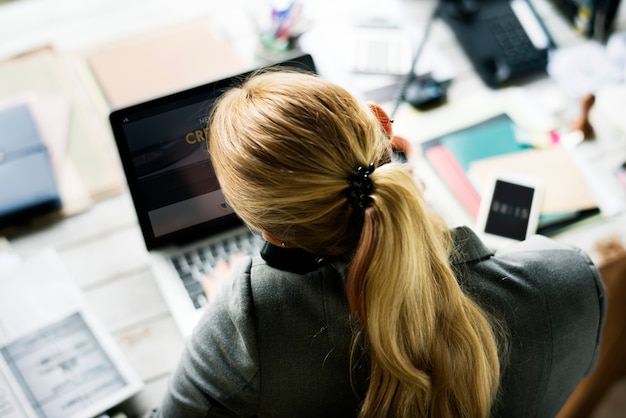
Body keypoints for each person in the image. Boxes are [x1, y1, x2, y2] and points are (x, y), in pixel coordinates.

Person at [153, 70, 606, 417]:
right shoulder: (572, 283)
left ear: (271, 232)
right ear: (386, 136)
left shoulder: (244, 332)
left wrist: (222, 325)